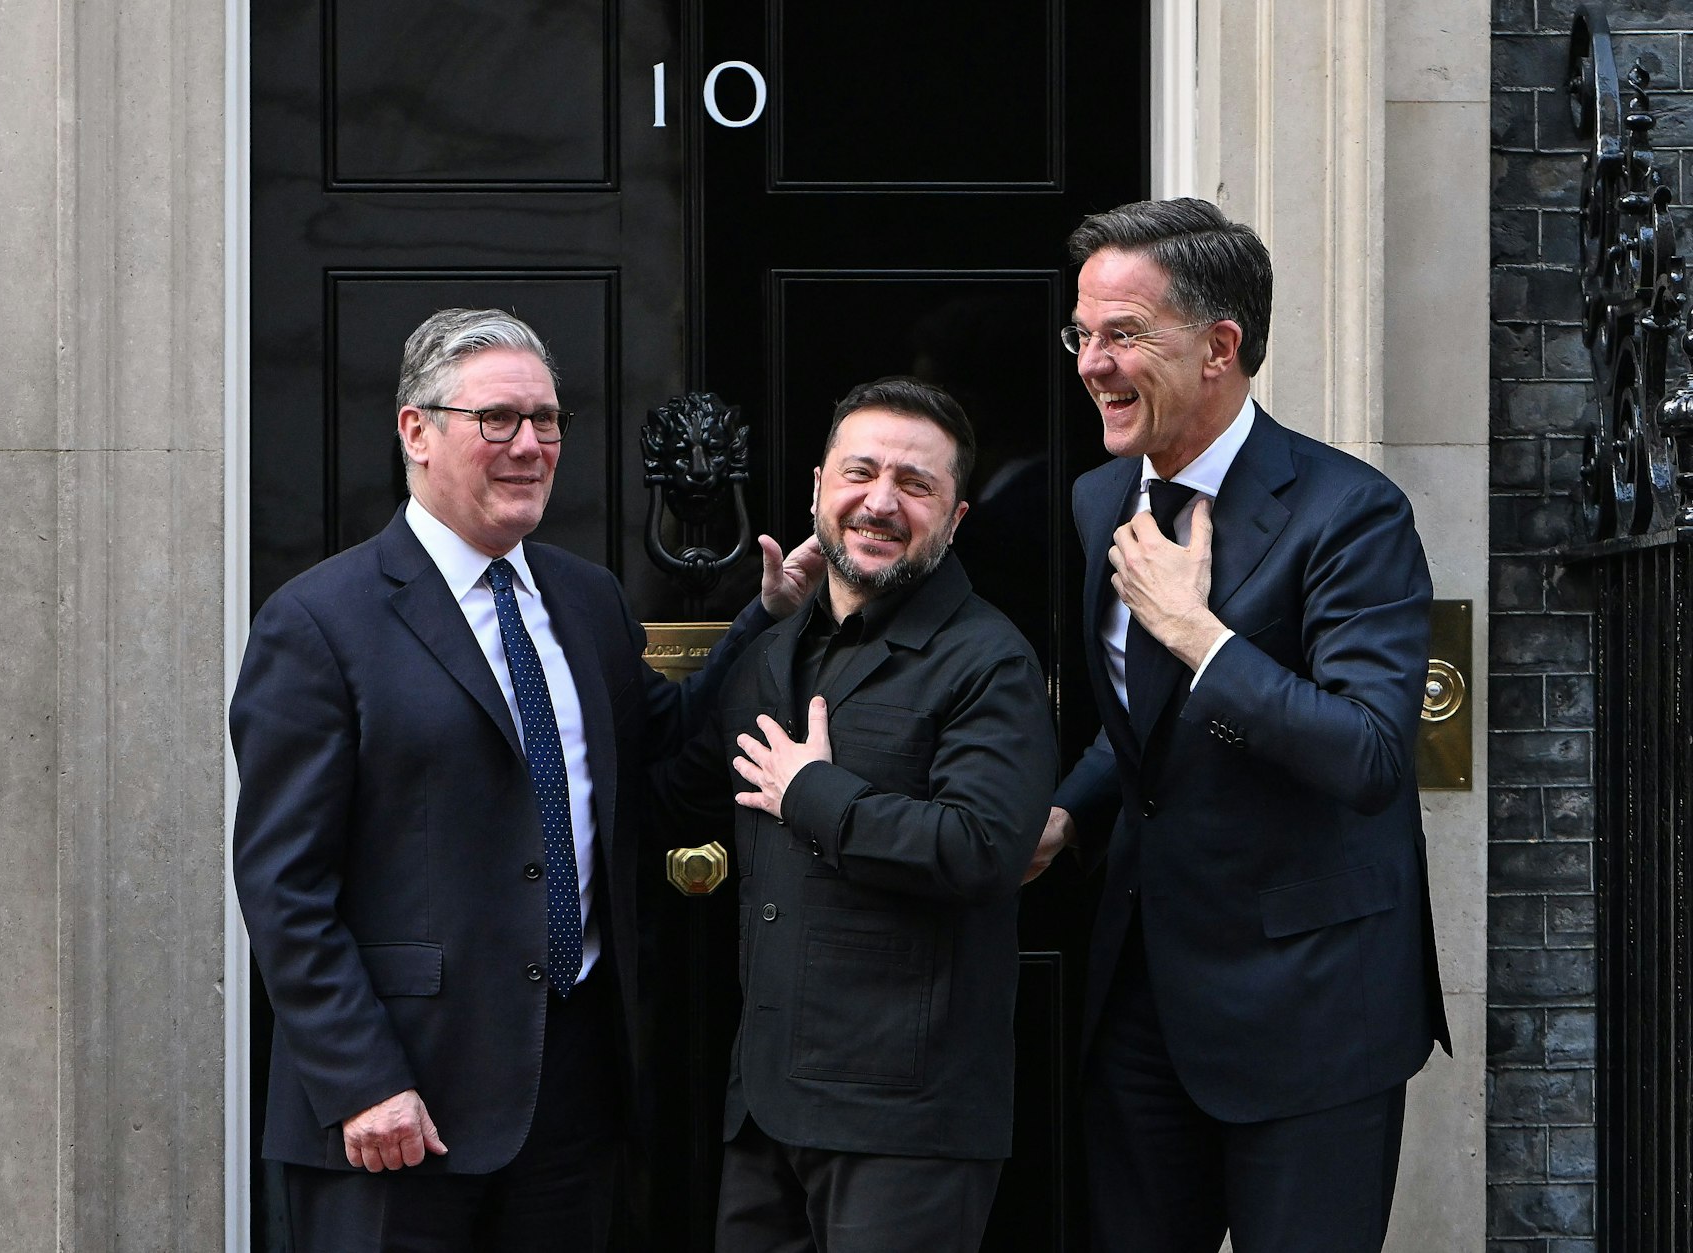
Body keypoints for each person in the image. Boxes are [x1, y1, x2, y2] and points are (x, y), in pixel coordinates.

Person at [230, 307, 822, 1252]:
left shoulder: (585, 598)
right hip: (398, 1105)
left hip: (572, 1092)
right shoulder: (318, 622)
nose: (530, 445)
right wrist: (360, 1079)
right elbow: (283, 885)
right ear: (415, 431)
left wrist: (766, 621)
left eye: (546, 421)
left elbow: (667, 760)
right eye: (497, 419)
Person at [1029, 198, 1450, 1253]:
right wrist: (1066, 813)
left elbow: (1366, 751)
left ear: (1219, 346)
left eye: (1121, 334)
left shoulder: (1351, 513)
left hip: (1310, 1007)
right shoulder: (1096, 500)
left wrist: (1197, 634)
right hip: (1139, 998)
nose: (1090, 362)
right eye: (1080, 333)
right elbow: (1136, 721)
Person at [656, 376, 1057, 1253]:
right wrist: (754, 619)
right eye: (859, 473)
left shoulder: (990, 662)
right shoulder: (773, 653)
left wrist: (816, 795)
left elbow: (983, 847)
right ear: (815, 490)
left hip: (907, 1126)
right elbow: (683, 789)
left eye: (915, 485)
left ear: (954, 519)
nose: (880, 501)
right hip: (765, 1114)